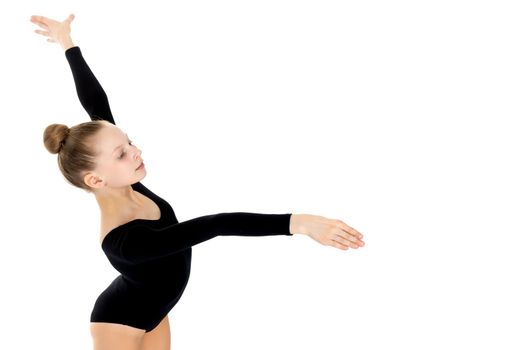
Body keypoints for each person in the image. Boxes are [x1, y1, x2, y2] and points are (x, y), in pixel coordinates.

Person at [31, 13, 365, 350]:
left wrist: (66, 42)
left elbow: (96, 103)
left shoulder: (124, 185)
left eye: (129, 142)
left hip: (156, 311)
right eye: (121, 153)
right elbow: (215, 224)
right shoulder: (124, 241)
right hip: (121, 323)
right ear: (95, 179)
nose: (136, 152)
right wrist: (300, 223)